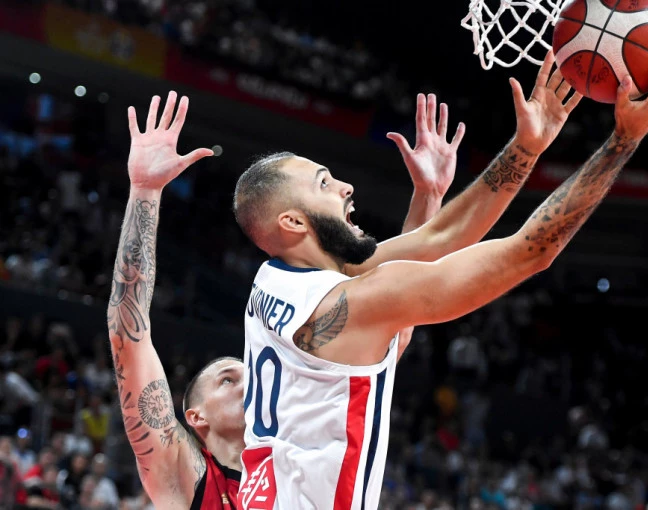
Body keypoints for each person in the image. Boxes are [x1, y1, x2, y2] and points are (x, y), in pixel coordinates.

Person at [232, 49, 648, 509]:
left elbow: (437, 239)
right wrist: (623, 140)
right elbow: (531, 250)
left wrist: (525, 148)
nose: (345, 187)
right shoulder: (350, 302)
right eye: (324, 184)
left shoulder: (277, 278)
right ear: (293, 222)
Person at [106, 87, 461, 508]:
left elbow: (395, 317)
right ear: (196, 417)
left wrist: (428, 195)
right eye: (227, 380)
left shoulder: (303, 457)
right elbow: (128, 337)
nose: (248, 382)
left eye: (244, 373)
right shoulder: (187, 478)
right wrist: (144, 191)